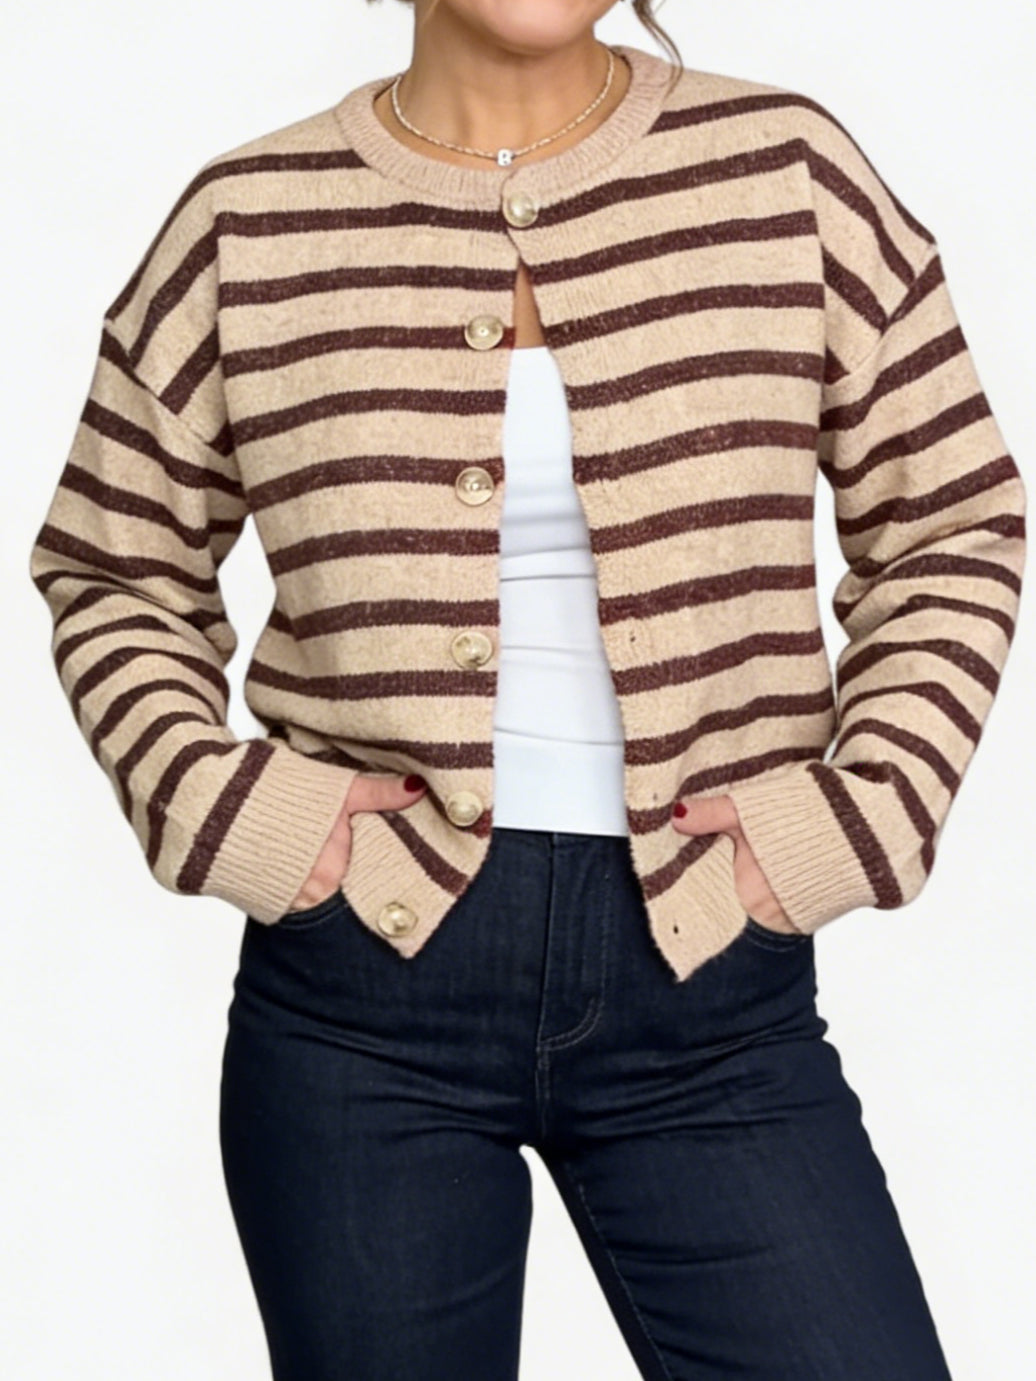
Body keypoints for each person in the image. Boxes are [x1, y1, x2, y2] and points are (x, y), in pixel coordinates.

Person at [28, 0, 1026, 1377]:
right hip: (361, 997)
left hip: (711, 979)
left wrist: (845, 826)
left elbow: (953, 524)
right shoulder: (247, 222)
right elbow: (111, 565)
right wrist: (239, 814)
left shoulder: (787, 171)